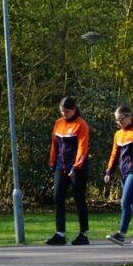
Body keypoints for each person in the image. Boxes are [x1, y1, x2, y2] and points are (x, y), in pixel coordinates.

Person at [46, 96, 91, 246]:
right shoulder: (58, 124)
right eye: (62, 111)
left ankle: (83, 233)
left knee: (79, 199)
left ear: (74, 110)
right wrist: (52, 161)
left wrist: (76, 166)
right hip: (61, 165)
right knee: (58, 197)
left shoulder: (81, 124)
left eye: (67, 111)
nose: (64, 114)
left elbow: (82, 147)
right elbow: (54, 144)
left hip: (77, 166)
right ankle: (60, 233)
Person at [104, 106, 133, 245]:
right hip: (123, 172)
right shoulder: (118, 135)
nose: (119, 122)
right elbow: (114, 154)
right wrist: (109, 171)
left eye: (121, 119)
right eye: (117, 120)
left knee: (125, 201)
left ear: (129, 117)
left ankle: (121, 234)